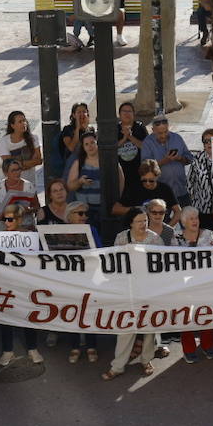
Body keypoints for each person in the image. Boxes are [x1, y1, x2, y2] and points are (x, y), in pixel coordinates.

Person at [103, 209, 162, 380]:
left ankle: (146, 360)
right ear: (130, 223)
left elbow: (162, 263)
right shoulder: (122, 237)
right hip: (128, 289)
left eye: (145, 220)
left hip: (150, 288)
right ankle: (118, 366)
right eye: (139, 221)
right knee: (125, 327)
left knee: (149, 327)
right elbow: (115, 262)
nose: (143, 224)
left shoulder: (154, 239)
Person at [0, 203, 45, 366]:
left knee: (27, 315)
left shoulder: (30, 237)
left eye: (10, 219)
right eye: (4, 219)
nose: (6, 222)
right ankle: (7, 351)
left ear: (19, 219)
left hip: (25, 283)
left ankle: (32, 348)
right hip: (5, 283)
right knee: (5, 317)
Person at [175, 207, 213, 363]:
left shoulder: (208, 234)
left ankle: (207, 345)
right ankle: (189, 349)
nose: (195, 221)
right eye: (191, 218)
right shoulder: (176, 238)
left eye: (196, 218)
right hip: (184, 284)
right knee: (185, 315)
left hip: (205, 282)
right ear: (183, 221)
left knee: (207, 313)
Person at [61, 202, 101, 364]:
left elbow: (100, 251)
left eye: (85, 214)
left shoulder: (92, 230)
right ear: (70, 216)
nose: (85, 217)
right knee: (72, 312)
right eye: (80, 214)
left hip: (88, 277)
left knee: (88, 311)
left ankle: (91, 345)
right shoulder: (59, 232)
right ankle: (75, 346)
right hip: (68, 279)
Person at [140, 116, 193, 205]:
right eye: (160, 133)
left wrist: (179, 158)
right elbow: (145, 168)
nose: (163, 135)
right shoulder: (147, 143)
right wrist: (164, 161)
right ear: (153, 130)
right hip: (161, 194)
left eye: (165, 131)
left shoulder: (177, 138)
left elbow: (190, 159)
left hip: (182, 190)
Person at [66, 130, 109, 218]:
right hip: (84, 209)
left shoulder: (106, 161)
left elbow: (120, 181)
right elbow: (70, 186)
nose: (90, 146)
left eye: (92, 143)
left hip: (104, 207)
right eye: (86, 144)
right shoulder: (79, 163)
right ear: (83, 147)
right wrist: (80, 182)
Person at [187, 129, 213, 230]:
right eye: (206, 141)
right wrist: (194, 201)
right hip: (203, 209)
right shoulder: (197, 159)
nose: (209, 143)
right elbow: (190, 182)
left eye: (212, 140)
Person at [0, 110, 43, 188]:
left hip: (30, 182)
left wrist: (18, 164)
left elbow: (38, 161)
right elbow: (8, 164)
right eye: (20, 122)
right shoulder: (4, 141)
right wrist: (28, 163)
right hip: (11, 183)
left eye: (24, 120)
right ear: (12, 125)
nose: (24, 123)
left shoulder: (33, 138)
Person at [0, 158, 38, 224]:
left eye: (18, 169)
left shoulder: (29, 186)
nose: (17, 173)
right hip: (4, 227)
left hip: (25, 226)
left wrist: (27, 210)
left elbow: (37, 207)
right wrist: (1, 214)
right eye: (13, 170)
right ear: (6, 173)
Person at [113, 101, 148, 189]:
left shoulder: (140, 127)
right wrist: (124, 138)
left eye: (129, 111)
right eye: (124, 111)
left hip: (138, 169)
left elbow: (146, 147)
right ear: (119, 115)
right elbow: (112, 148)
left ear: (134, 114)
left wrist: (130, 137)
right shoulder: (115, 129)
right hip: (120, 170)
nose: (127, 114)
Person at [55, 103, 91, 179]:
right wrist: (77, 129)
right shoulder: (67, 129)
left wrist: (86, 129)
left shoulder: (90, 129)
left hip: (87, 163)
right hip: (71, 164)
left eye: (84, 111)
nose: (82, 114)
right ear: (74, 115)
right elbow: (71, 148)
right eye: (79, 112)